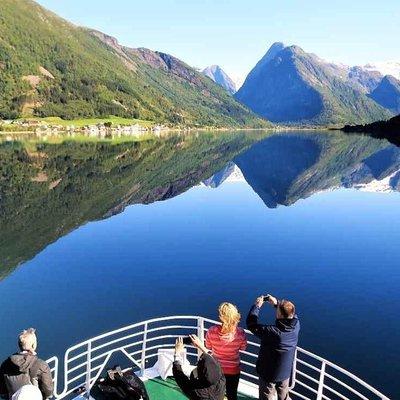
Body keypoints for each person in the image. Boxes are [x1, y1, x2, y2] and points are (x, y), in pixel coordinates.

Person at [246, 295, 300, 400]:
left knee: (266, 396)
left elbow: (251, 324)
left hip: (268, 374)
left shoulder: (272, 332)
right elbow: (291, 314)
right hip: (285, 372)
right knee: (284, 396)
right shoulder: (296, 325)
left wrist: (257, 306)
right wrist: (276, 304)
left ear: (279, 314)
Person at [205, 302, 247, 400]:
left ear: (221, 317)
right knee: (232, 395)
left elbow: (208, 346)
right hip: (233, 370)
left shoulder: (211, 331)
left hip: (217, 369)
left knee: (216, 394)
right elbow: (243, 348)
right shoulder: (240, 333)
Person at [0, 328, 53, 400]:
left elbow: (2, 390)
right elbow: (48, 391)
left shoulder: (5, 364)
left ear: (19, 345)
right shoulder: (41, 365)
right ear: (34, 345)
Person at [173, 335, 225, 400]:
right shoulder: (221, 381)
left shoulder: (195, 391)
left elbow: (179, 376)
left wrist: (177, 352)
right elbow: (215, 363)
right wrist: (200, 346)